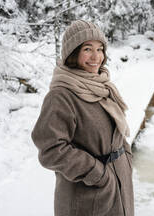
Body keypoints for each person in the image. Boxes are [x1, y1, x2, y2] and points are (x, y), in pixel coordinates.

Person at [31, 20, 134, 216]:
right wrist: (98, 174)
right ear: (73, 53)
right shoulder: (61, 95)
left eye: (100, 49)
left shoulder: (102, 86)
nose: (96, 57)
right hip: (88, 195)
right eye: (88, 49)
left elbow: (116, 132)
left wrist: (126, 157)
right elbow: (51, 148)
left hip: (120, 186)